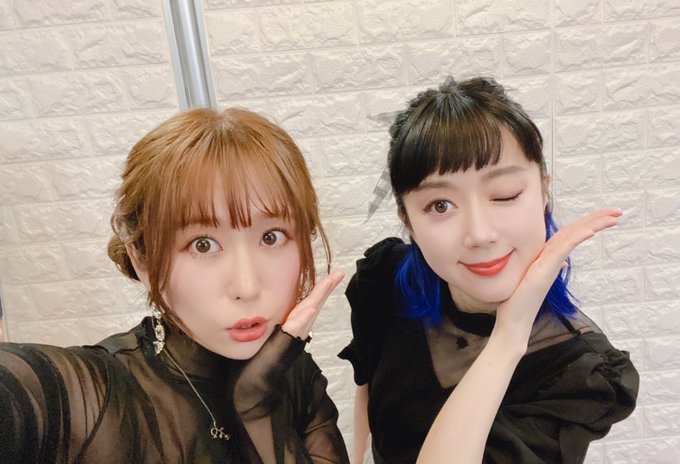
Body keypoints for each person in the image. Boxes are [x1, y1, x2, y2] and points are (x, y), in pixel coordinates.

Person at [0, 107, 350, 463]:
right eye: (203, 244)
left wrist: (257, 406)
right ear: (142, 258)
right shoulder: (94, 396)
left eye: (272, 237)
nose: (246, 287)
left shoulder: (294, 375)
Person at [339, 76, 639, 464]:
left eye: (504, 195)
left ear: (543, 192)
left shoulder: (577, 372)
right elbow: (367, 402)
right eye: (440, 206)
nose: (480, 234)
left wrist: (508, 338)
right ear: (407, 219)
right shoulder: (385, 281)